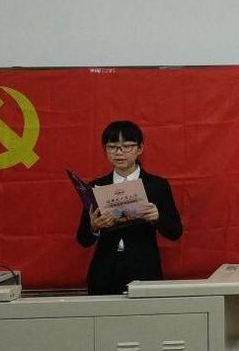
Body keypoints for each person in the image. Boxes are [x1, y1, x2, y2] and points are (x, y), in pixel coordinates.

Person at [76, 120, 183, 295]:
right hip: (105, 271)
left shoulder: (156, 185)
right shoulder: (97, 187)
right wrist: (94, 227)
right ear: (105, 150)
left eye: (126, 146)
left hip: (144, 269)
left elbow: (175, 232)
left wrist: (157, 218)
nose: (119, 153)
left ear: (140, 148)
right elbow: (82, 239)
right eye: (112, 147)